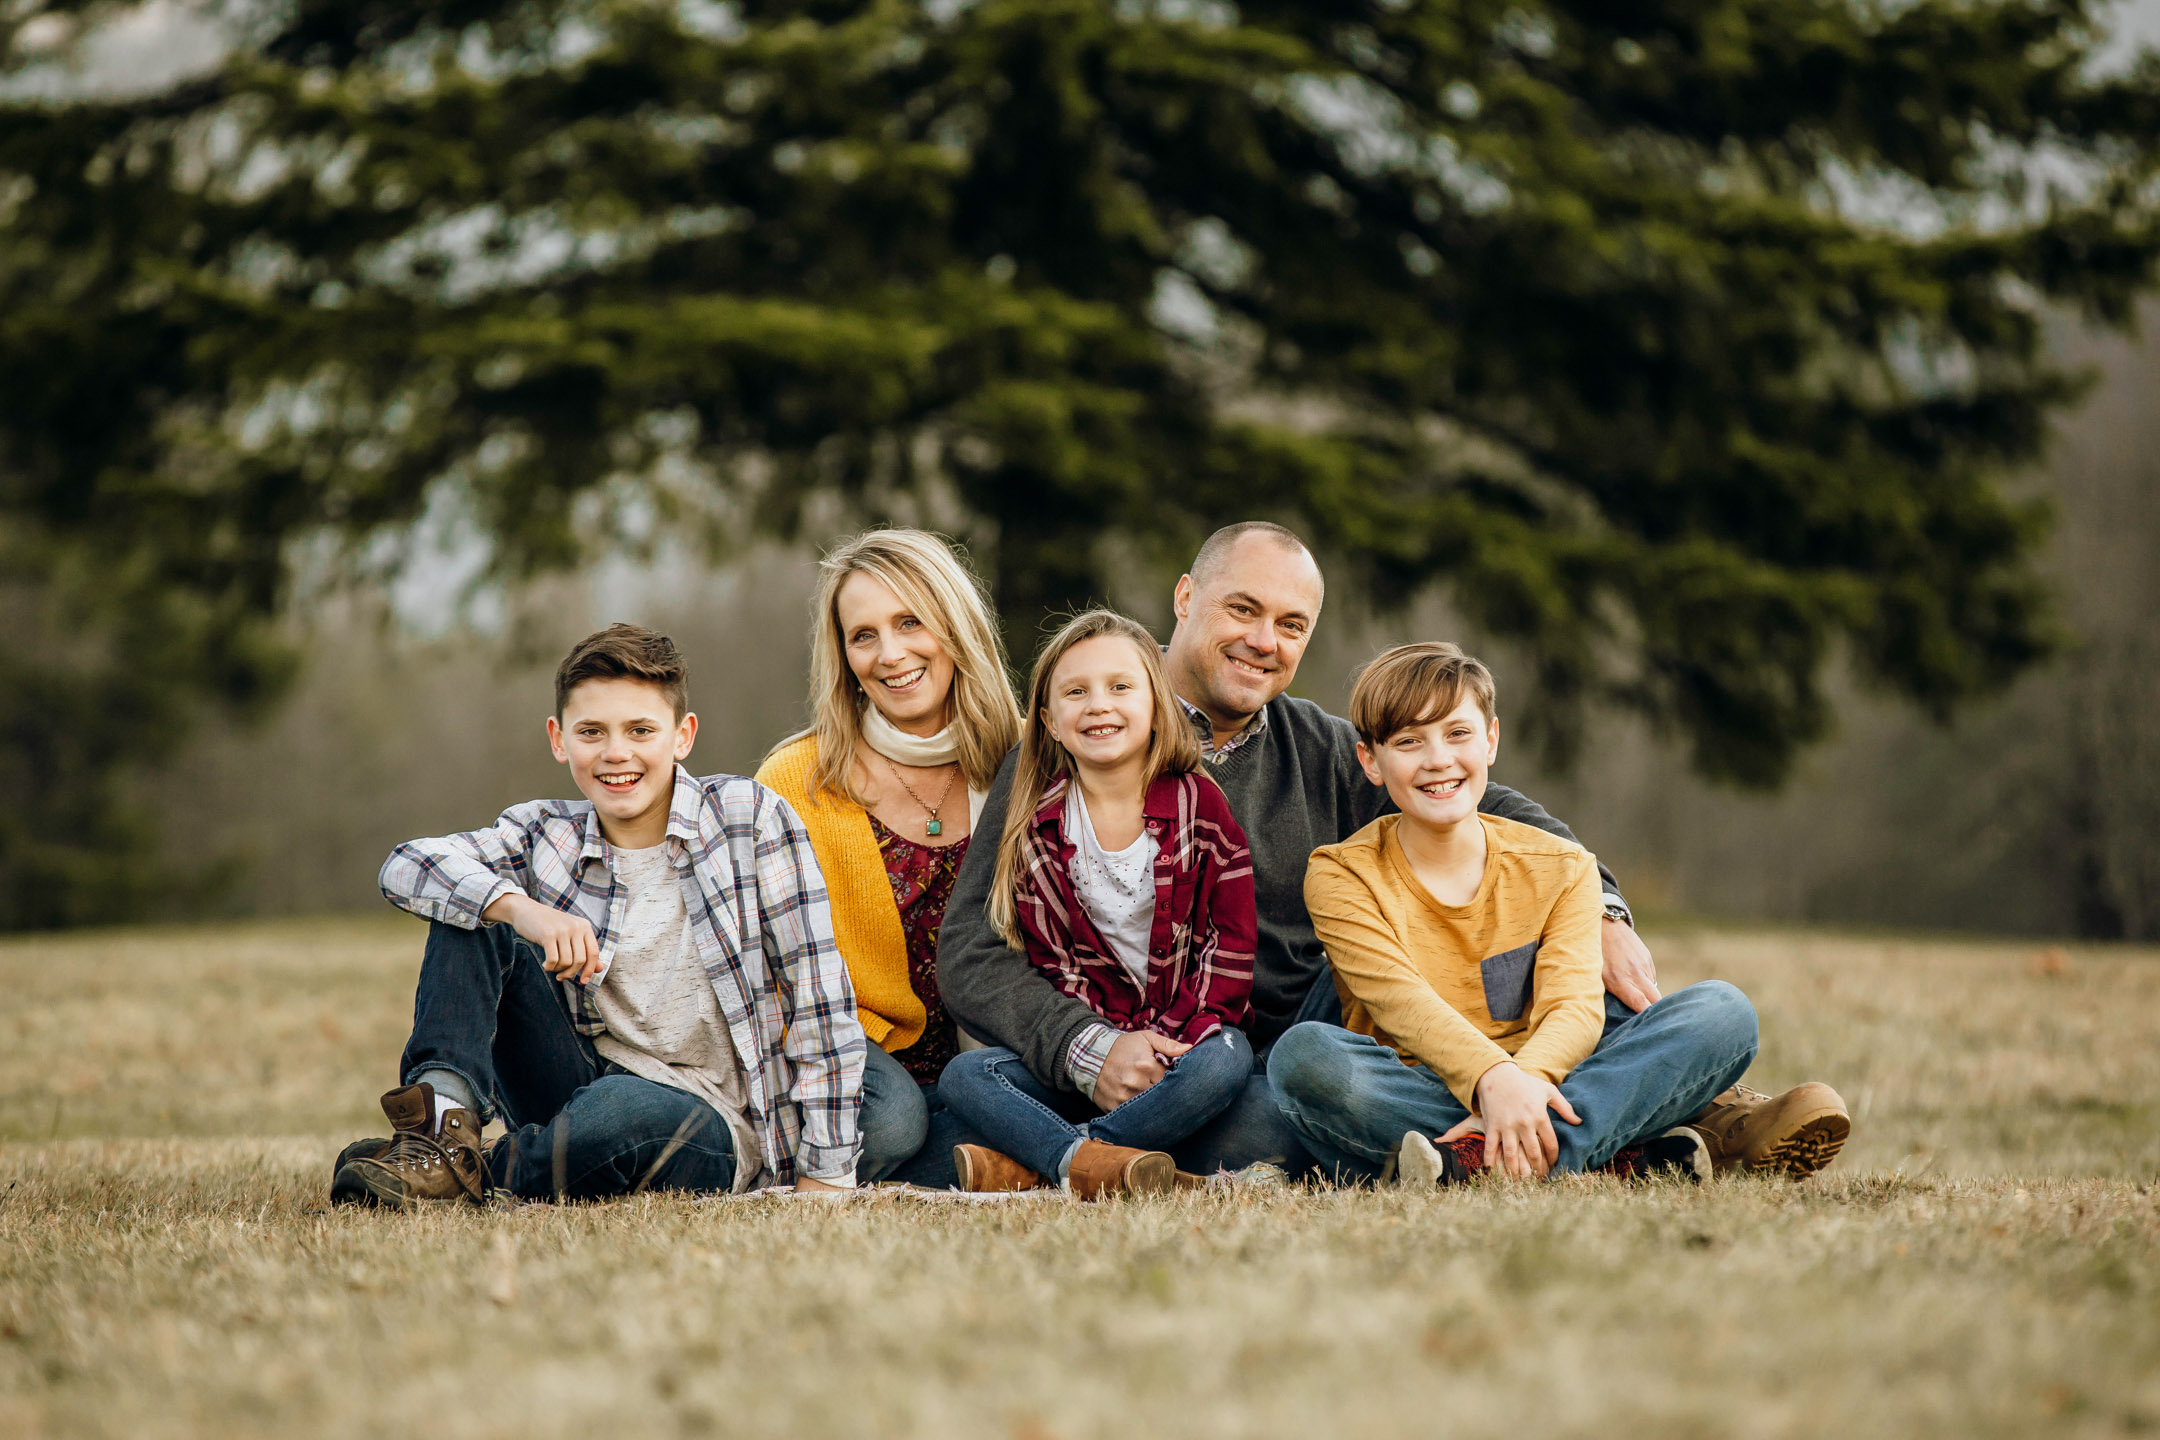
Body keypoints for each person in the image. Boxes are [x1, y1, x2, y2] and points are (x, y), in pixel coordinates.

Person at [939, 521, 1849, 1180]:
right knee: (1272, 1116)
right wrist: (1088, 1049)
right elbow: (972, 953)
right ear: (1186, 599)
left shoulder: (1326, 749)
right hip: (1234, 1066)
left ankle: (1596, 1125)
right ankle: (1647, 1126)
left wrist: (1601, 902)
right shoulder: (1072, 744)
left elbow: (1482, 797)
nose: (1264, 641)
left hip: (1324, 1019)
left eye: (1291, 626)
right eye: (1243, 609)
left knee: (1539, 944)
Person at [330, 624, 876, 1207]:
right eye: (591, 732)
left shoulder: (748, 818)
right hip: (573, 1084)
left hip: (706, 1116)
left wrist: (827, 1170)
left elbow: (819, 998)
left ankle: (471, 1171)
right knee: (472, 909)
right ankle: (436, 1138)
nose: (616, 753)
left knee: (618, 1114)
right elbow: (407, 865)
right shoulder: (543, 833)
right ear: (558, 738)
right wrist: (524, 912)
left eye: (641, 730)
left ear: (682, 735)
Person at [1269, 642, 1763, 1186]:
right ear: (1371, 762)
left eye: (1457, 734)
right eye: (1409, 741)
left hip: (1548, 1078)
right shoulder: (1342, 874)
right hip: (1416, 1089)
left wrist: (1521, 1083)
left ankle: (1479, 1159)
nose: (1438, 759)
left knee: (1723, 1012)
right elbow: (1400, 1005)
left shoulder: (1566, 865)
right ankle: (1602, 1151)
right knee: (1303, 1059)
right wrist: (1492, 1080)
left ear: (1491, 740)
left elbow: (1573, 1006)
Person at [938, 611, 1257, 1198]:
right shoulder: (1036, 830)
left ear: (1157, 707)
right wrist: (1107, 1048)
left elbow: (1229, 941)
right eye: (1076, 692)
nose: (1098, 705)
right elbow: (1049, 960)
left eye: (1120, 687)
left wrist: (1164, 1042)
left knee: (1230, 1062)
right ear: (1050, 722)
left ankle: (1055, 1161)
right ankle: (1101, 1162)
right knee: (967, 1077)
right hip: (1087, 1058)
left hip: (1185, 1047)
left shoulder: (1201, 809)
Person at [756, 529, 1020, 1187]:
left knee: (1009, 1097)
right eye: (864, 635)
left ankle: (994, 1150)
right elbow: (765, 976)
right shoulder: (797, 779)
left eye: (910, 623)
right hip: (852, 1056)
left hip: (989, 1057)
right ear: (843, 655)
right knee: (896, 1122)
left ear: (955, 629)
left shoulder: (1027, 763)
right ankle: (1000, 1157)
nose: (891, 654)